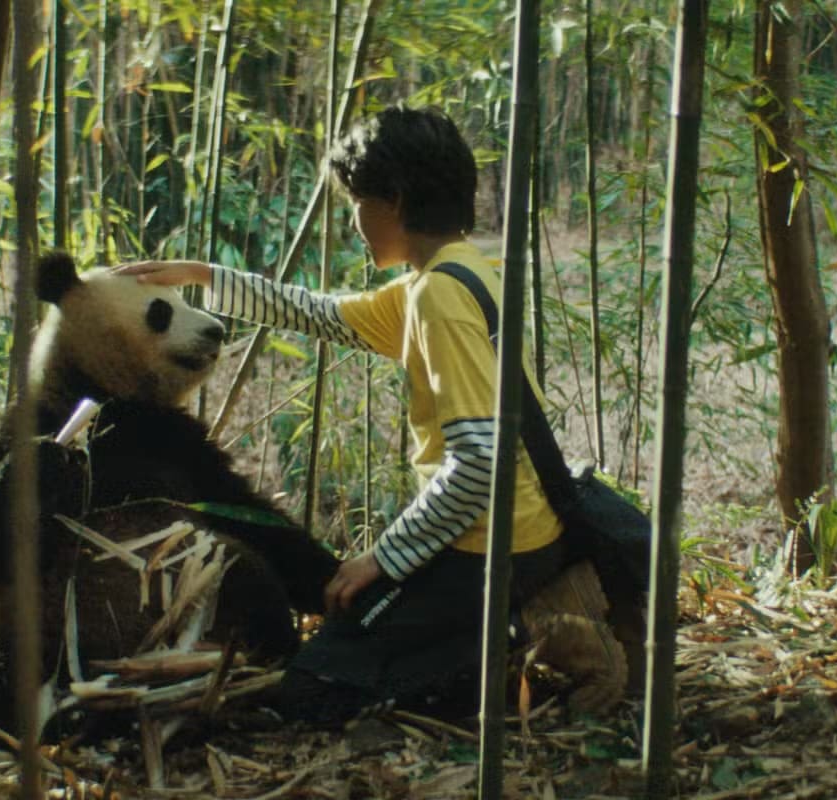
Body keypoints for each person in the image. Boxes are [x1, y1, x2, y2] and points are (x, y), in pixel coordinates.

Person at [117, 105, 627, 724]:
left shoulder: (438, 297)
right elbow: (325, 314)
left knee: (316, 692)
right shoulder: (462, 270)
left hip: (491, 542)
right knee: (352, 625)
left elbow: (478, 466)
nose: (354, 218)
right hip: (521, 525)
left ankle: (530, 627)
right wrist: (204, 276)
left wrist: (381, 556)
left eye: (357, 200)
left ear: (394, 200)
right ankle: (518, 611)